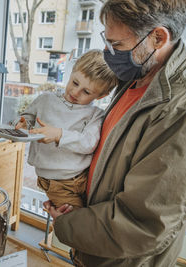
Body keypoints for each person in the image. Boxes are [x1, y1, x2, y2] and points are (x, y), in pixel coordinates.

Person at [46, 0, 186, 266]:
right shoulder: (137, 77)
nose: (109, 53)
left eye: (117, 45)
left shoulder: (182, 111)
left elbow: (146, 223)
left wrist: (69, 224)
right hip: (95, 246)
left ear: (158, 37)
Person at [15, 50, 117, 210]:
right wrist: (22, 123)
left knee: (71, 226)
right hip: (45, 178)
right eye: (75, 83)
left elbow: (89, 143)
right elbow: (27, 117)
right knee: (66, 224)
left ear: (100, 96)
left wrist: (59, 135)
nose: (75, 92)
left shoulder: (94, 115)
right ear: (71, 72)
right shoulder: (45, 100)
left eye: (86, 92)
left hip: (68, 182)